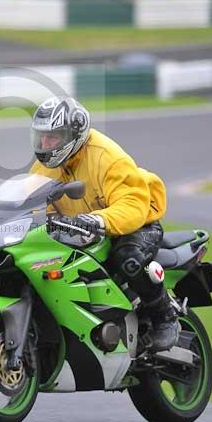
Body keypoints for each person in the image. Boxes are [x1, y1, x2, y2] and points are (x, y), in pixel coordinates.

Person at [28, 95, 179, 352]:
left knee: (128, 257)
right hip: (82, 229)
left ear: (72, 134)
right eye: (41, 137)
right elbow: (31, 200)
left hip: (136, 223)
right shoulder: (46, 167)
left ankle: (165, 317)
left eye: (52, 137)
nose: (45, 144)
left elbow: (133, 205)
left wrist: (99, 219)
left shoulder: (108, 157)